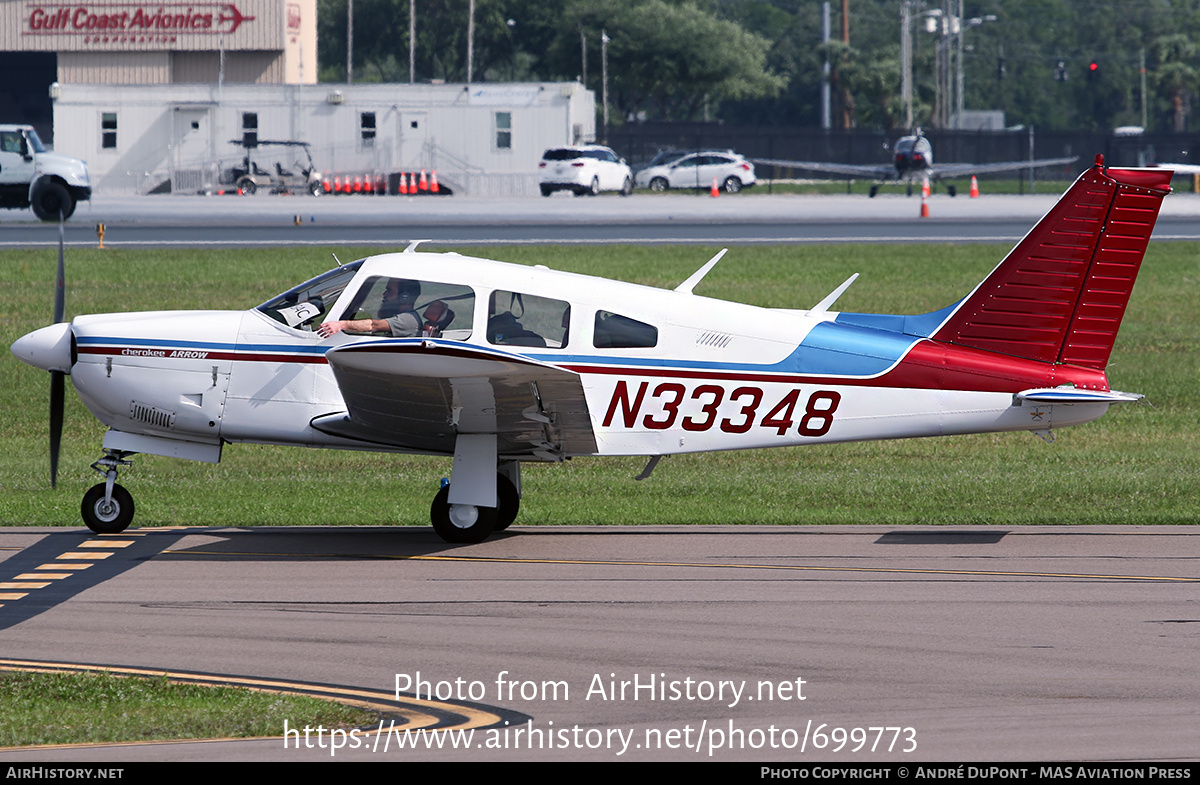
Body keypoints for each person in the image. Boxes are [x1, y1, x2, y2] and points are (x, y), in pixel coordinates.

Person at [317, 278, 420, 338]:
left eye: (389, 290)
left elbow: (373, 325)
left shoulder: (408, 319)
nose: (384, 294)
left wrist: (340, 325)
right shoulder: (402, 317)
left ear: (404, 297)